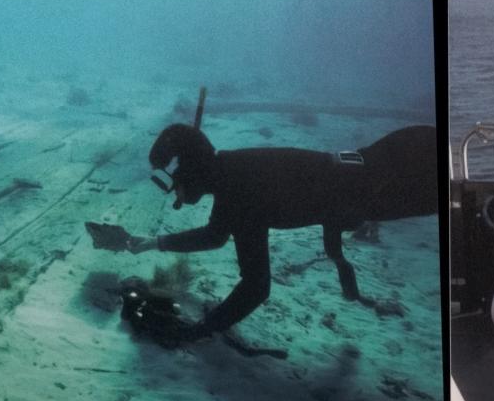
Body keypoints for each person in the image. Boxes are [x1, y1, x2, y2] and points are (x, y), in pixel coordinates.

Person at [123, 123, 438, 343]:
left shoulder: (237, 192)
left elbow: (256, 286)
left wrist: (197, 331)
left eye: (171, 182)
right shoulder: (234, 170)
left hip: (383, 183)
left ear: (189, 174)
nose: (172, 193)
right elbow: (216, 235)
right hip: (385, 161)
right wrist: (152, 243)